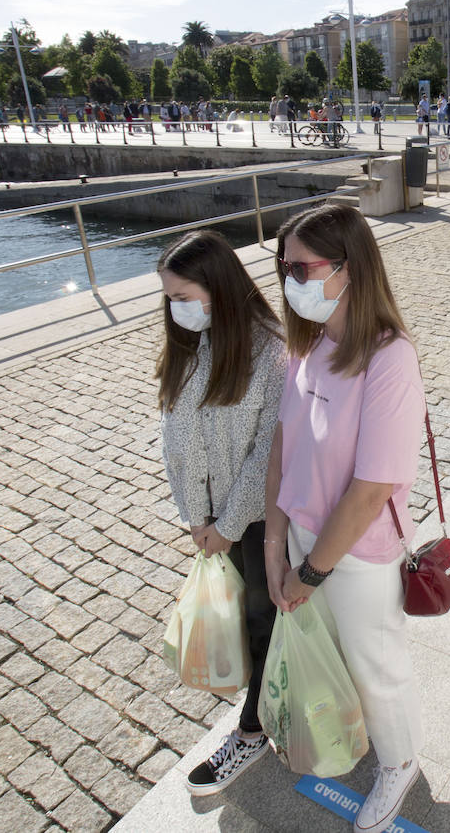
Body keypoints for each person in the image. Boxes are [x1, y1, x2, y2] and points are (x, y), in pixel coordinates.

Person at [266, 203, 426, 833]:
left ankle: (400, 760)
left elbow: (371, 487)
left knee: (376, 662)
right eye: (284, 268)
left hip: (357, 552)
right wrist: (277, 545)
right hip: (306, 538)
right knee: (342, 655)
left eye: (302, 268)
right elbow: (282, 447)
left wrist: (310, 571)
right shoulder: (307, 348)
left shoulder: (390, 359)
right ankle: (364, 739)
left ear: (348, 269)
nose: (289, 281)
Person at [156, 231, 286, 797]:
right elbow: (177, 441)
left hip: (258, 523)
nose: (174, 308)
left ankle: (253, 730)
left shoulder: (271, 351)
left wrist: (227, 525)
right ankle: (263, 705)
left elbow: (267, 454)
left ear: (218, 288)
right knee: (242, 620)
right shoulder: (190, 345)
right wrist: (196, 517)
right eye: (168, 297)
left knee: (262, 622)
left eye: (182, 295)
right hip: (211, 521)